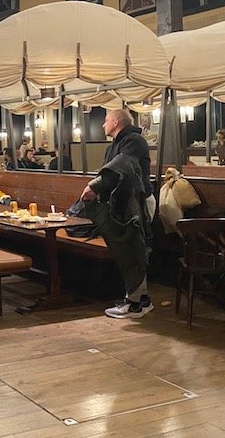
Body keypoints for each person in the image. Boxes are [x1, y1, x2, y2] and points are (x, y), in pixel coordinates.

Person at [80, 109, 153, 319]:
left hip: (136, 203)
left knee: (134, 249)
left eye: (105, 121)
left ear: (115, 121)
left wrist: (94, 187)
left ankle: (136, 303)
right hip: (123, 204)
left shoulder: (134, 141)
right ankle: (139, 299)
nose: (103, 125)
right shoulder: (115, 145)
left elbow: (122, 168)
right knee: (129, 250)